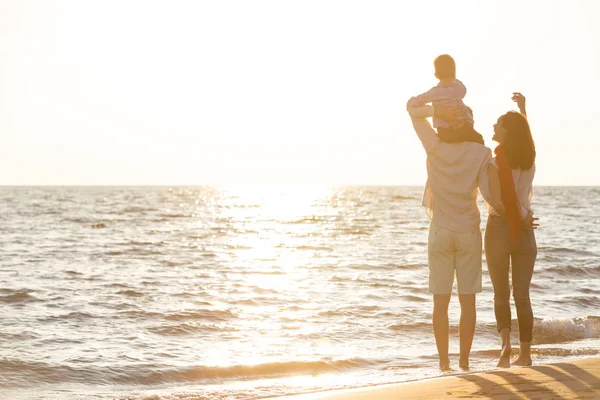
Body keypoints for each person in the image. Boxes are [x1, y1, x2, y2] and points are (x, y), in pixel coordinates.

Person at [406, 100, 491, 371]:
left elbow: (412, 111)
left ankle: (444, 362)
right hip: (468, 231)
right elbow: (490, 195)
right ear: (469, 123)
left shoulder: (434, 145)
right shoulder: (481, 152)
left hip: (441, 230)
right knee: (468, 302)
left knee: (440, 302)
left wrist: (436, 109)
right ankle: (464, 361)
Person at [484, 93, 538, 367]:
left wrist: (519, 216)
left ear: (506, 132)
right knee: (522, 295)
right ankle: (525, 354)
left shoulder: (494, 164)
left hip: (499, 231)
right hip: (525, 232)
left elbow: (500, 203)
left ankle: (505, 349)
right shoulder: (529, 162)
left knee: (501, 294)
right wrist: (525, 217)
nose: (493, 127)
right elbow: (526, 138)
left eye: (498, 124)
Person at [407, 54, 484, 144]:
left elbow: (420, 99)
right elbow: (463, 90)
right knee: (479, 139)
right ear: (454, 72)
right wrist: (454, 79)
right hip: (462, 128)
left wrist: (411, 101)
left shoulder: (435, 92)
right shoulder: (459, 89)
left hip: (445, 132)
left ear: (436, 75)